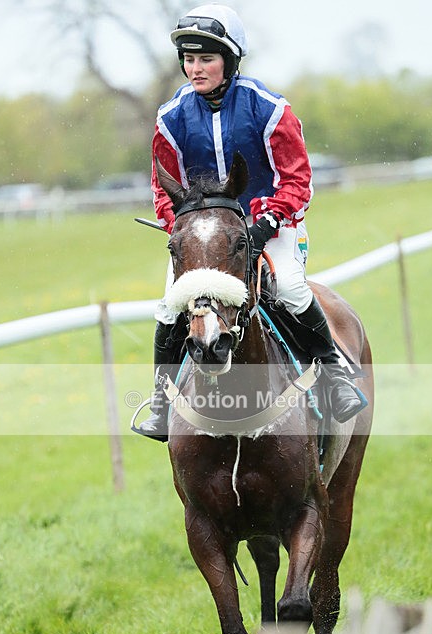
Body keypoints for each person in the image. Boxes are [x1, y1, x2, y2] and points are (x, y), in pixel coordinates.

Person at [137, 3, 364, 440]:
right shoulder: (170, 118)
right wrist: (183, 229)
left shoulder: (270, 109)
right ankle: (162, 401)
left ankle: (335, 376)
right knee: (169, 306)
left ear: (231, 59)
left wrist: (262, 228)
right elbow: (162, 189)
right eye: (189, 59)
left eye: (206, 58)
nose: (195, 68)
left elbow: (297, 180)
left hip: (271, 225)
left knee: (291, 289)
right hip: (208, 236)